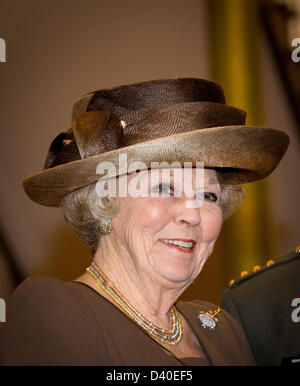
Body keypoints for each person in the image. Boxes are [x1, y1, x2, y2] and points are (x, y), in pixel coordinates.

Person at [0, 78, 289, 366]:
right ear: (103, 202)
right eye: (164, 189)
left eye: (209, 196)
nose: (192, 214)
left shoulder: (223, 329)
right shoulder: (55, 312)